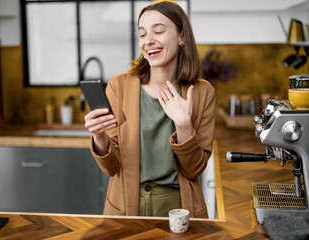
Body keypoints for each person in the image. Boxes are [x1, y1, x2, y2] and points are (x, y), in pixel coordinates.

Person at [84, 0, 215, 218]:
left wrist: (183, 126)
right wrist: (99, 137)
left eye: (159, 31)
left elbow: (194, 170)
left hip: (180, 210)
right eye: (142, 34)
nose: (148, 41)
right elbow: (111, 168)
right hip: (126, 207)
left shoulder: (202, 92)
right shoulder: (119, 87)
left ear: (181, 37)